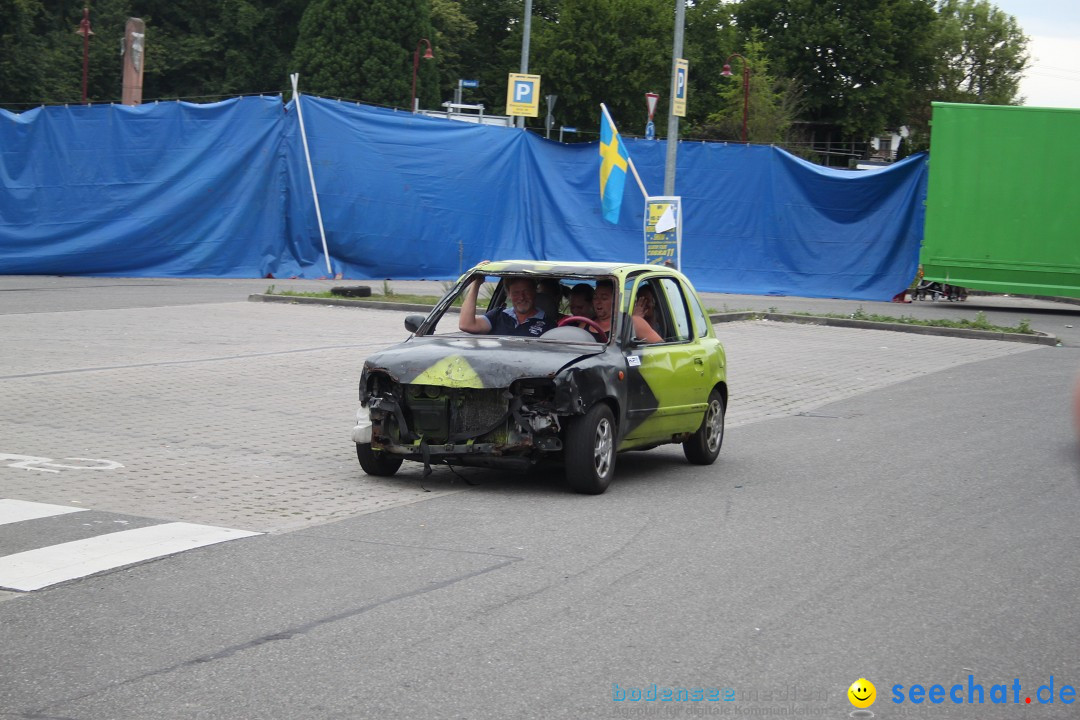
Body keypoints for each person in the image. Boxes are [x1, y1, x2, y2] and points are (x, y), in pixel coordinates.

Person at [459, 274, 551, 337]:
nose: (522, 297)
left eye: (526, 292)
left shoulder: (549, 324)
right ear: (509, 295)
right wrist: (477, 283)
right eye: (516, 293)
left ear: (534, 292)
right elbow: (466, 325)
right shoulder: (498, 315)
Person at [583, 279, 662, 344]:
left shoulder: (633, 323)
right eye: (595, 298)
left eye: (604, 298)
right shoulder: (584, 324)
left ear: (617, 300)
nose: (598, 302)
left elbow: (662, 349)